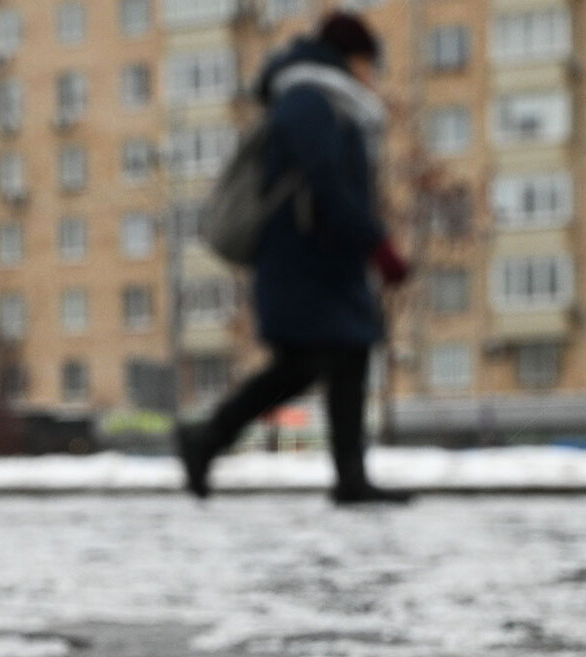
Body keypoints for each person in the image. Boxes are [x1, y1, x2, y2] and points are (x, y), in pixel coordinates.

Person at [174, 12, 414, 505]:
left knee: (339, 357)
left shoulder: (323, 100)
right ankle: (208, 439)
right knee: (308, 362)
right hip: (304, 261)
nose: (372, 75)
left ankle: (346, 475)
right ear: (352, 57)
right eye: (370, 63)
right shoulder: (308, 100)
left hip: (324, 259)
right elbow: (327, 180)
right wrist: (377, 243)